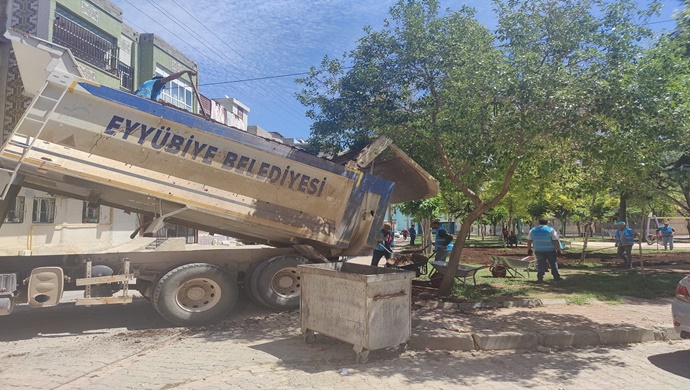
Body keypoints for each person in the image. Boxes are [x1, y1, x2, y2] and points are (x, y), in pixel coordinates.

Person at [526, 218, 562, 282]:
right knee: (553, 263)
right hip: (550, 250)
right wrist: (558, 250)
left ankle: (540, 277)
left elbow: (529, 240)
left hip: (538, 250)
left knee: (540, 264)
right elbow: (555, 241)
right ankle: (556, 277)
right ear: (547, 223)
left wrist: (529, 249)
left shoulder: (533, 230)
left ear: (539, 223)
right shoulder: (551, 230)